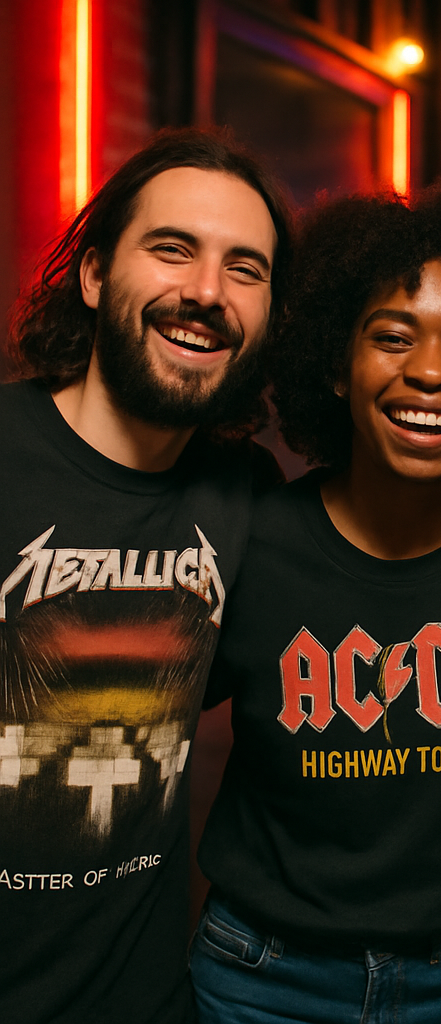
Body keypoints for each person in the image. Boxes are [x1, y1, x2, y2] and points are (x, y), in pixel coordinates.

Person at [188, 180, 441, 1024]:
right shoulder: (252, 540)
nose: (431, 373)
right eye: (392, 337)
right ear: (336, 363)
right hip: (262, 977)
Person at [0, 127, 292, 1024]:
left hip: (147, 998)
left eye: (246, 268)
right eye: (174, 250)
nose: (207, 292)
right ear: (94, 277)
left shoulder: (246, 497)